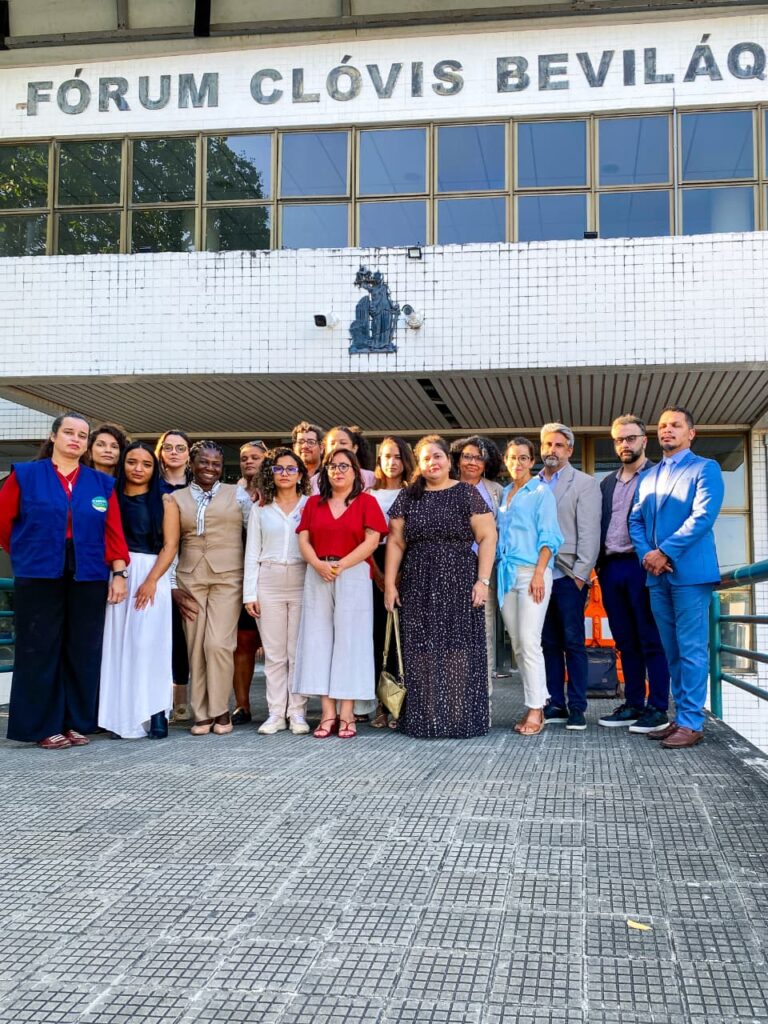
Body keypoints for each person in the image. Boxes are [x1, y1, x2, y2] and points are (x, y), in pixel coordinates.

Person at [0, 412, 129, 749]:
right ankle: (43, 726)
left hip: (88, 572)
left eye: (82, 435)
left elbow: (113, 533)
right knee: (39, 648)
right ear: (54, 436)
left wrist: (119, 574)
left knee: (82, 648)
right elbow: (4, 523)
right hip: (39, 570)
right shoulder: (26, 475)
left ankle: (74, 722)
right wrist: (26, 551)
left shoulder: (100, 484)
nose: (75, 439)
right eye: (69, 432)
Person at [384, 435, 497, 739]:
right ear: (418, 464)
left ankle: (457, 716)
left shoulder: (466, 493)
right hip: (418, 581)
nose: (432, 462)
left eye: (437, 456)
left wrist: (483, 581)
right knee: (420, 649)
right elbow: (395, 542)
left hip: (460, 580)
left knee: (457, 648)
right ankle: (426, 716)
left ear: (448, 460)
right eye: (425, 458)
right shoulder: (408, 496)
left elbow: (488, 536)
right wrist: (390, 585)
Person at [629, 406, 724, 749]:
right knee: (671, 651)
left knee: (692, 649)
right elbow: (635, 521)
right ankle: (681, 717)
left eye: (675, 425)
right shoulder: (648, 476)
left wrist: (665, 552)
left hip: (690, 574)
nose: (667, 430)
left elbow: (703, 516)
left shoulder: (705, 468)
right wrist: (648, 555)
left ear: (690, 433)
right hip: (657, 575)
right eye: (663, 426)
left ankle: (692, 722)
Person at [292, 447, 388, 738]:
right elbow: (304, 539)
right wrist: (318, 564)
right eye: (332, 466)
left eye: (344, 466)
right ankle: (327, 713)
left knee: (351, 642)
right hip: (318, 571)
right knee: (318, 640)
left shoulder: (367, 502)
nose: (338, 471)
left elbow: (372, 541)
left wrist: (341, 564)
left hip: (353, 572)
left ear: (356, 471)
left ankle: (347, 712)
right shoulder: (313, 503)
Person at [98, 443, 179, 739]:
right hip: (118, 572)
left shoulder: (165, 500)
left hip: (152, 572)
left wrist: (151, 580)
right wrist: (119, 573)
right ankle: (121, 716)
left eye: (146, 464)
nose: (138, 468)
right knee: (118, 644)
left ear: (154, 469)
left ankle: (156, 713)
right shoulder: (110, 496)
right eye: (132, 462)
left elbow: (171, 545)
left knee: (149, 645)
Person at [171, 440, 251, 735]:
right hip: (190, 578)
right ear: (192, 464)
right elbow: (170, 545)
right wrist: (172, 585)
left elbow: (255, 532)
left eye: (216, 463)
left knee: (218, 644)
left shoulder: (238, 494)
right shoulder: (175, 499)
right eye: (204, 462)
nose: (210, 468)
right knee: (195, 645)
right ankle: (201, 713)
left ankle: (220, 709)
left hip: (228, 577)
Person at [597, 415, 671, 734]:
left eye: (630, 438)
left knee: (651, 638)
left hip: (643, 566)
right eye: (619, 440)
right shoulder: (607, 483)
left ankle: (658, 707)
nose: (624, 444)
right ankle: (634, 704)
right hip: (611, 568)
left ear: (644, 440)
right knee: (625, 641)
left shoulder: (660, 475)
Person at [497, 437, 563, 736]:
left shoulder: (540, 491)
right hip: (506, 575)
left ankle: (536, 709)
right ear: (505, 461)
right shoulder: (504, 494)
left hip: (532, 573)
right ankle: (536, 701)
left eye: (523, 458)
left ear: (532, 461)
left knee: (529, 640)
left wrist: (539, 573)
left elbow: (550, 536)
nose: (518, 463)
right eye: (512, 457)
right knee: (518, 645)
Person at [539, 422, 601, 731]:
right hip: (539, 576)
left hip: (567, 575)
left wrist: (580, 575)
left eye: (559, 445)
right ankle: (555, 703)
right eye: (548, 444)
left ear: (570, 450)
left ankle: (577, 707)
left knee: (573, 642)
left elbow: (590, 533)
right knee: (548, 642)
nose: (552, 450)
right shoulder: (533, 484)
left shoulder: (585, 483)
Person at [243, 447, 311, 735]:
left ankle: (297, 713)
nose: (285, 474)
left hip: (302, 578)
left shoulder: (311, 505)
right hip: (268, 580)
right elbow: (251, 552)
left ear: (300, 475)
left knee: (297, 651)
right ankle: (275, 713)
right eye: (278, 468)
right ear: (270, 473)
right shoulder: (260, 508)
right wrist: (249, 594)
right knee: (274, 653)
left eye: (291, 469)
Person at [369, 435, 416, 729]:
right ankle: (382, 704)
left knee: (404, 636)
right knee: (379, 636)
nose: (392, 462)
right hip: (374, 565)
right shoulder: (369, 495)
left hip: (407, 564)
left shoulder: (415, 493)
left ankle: (403, 703)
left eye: (398, 456)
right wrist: (378, 574)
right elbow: (363, 538)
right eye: (387, 456)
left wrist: (398, 574)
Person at [451, 435, 504, 693]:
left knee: (484, 629)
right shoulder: (446, 485)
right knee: (453, 631)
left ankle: (484, 693)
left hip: (485, 569)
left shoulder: (496, 490)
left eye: (479, 458)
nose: (473, 462)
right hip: (451, 568)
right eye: (467, 456)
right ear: (457, 460)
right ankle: (456, 691)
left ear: (487, 463)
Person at [155, 429, 193, 721]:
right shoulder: (151, 486)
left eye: (181, 448)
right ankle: (157, 701)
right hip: (156, 568)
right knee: (158, 636)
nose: (174, 453)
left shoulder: (197, 487)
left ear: (189, 454)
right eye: (168, 447)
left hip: (192, 569)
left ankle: (180, 700)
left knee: (184, 637)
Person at [231, 439, 268, 725]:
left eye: (255, 457)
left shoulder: (280, 491)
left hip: (275, 574)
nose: (248, 462)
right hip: (240, 572)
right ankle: (242, 705)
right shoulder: (231, 495)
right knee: (243, 641)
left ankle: (284, 706)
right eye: (244, 458)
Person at [312, 426, 376, 494]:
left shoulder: (371, 478)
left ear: (354, 448)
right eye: (332, 443)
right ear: (325, 449)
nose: (337, 447)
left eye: (343, 443)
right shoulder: (314, 481)